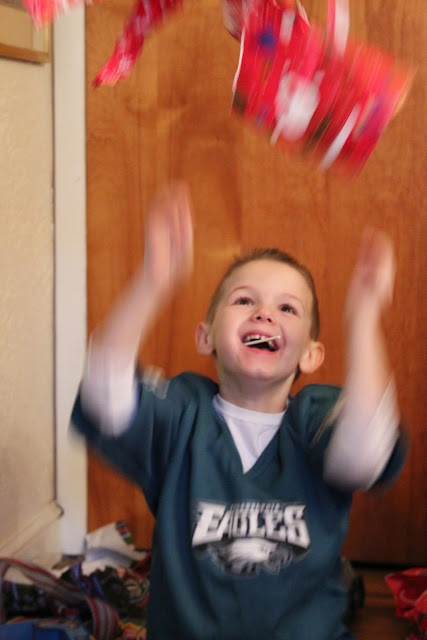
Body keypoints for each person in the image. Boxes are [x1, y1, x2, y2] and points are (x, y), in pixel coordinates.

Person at [71, 182, 408, 640]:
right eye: (245, 300)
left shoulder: (314, 418)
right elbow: (102, 396)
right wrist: (152, 280)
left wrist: (364, 317)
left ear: (311, 355)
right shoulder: (182, 413)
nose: (265, 314)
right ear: (205, 336)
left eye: (287, 308)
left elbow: (365, 454)